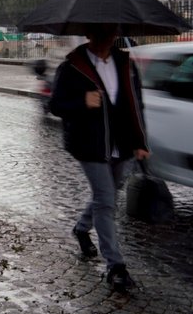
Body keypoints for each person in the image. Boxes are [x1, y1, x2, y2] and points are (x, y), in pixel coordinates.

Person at [49, 23, 150, 293]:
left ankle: (82, 228)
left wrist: (141, 142)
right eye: (102, 32)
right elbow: (55, 105)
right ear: (89, 34)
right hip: (90, 146)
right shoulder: (72, 67)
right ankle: (115, 266)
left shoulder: (126, 64)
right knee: (106, 200)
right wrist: (83, 102)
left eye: (112, 32)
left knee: (107, 194)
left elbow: (136, 105)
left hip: (123, 145)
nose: (108, 37)